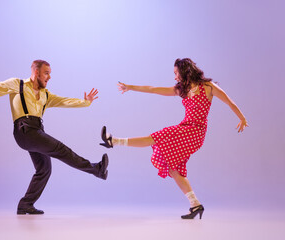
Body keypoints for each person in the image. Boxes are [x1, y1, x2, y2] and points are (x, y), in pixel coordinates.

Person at [0, 59, 109, 215]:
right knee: (62, 150)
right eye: (46, 73)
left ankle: (25, 204)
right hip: (25, 131)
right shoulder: (17, 84)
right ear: (36, 72)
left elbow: (65, 101)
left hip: (36, 131)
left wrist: (85, 102)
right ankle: (97, 169)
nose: (49, 77)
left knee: (44, 168)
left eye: (50, 74)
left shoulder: (45, 95)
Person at [100, 58, 248, 219]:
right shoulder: (181, 89)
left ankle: (113, 141)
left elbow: (228, 100)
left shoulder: (208, 87)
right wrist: (130, 87)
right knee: (174, 169)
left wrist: (242, 118)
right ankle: (195, 204)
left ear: (185, 71)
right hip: (185, 128)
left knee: (156, 137)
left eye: (176, 73)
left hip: (195, 132)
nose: (175, 76)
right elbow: (153, 89)